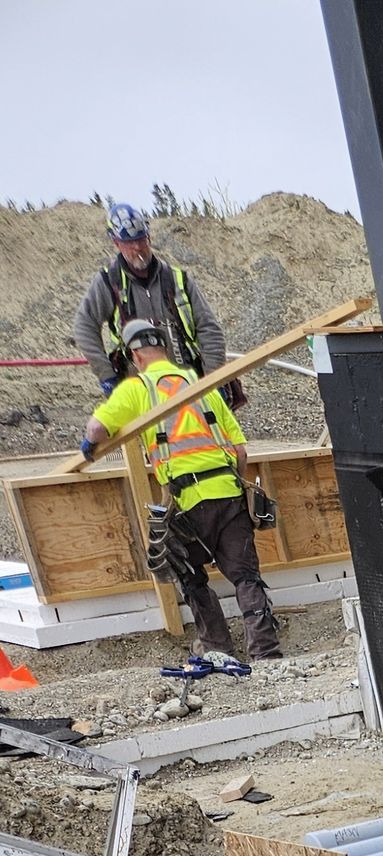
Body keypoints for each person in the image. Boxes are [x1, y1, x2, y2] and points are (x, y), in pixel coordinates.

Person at [78, 316, 282, 664]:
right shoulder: (202, 385)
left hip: (186, 500)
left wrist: (88, 444)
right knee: (246, 576)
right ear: (165, 350)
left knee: (190, 576)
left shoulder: (137, 389)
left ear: (135, 355)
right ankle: (266, 653)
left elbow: (98, 428)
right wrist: (232, 490)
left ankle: (217, 647)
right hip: (229, 492)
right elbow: (241, 452)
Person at [74, 202, 230, 394]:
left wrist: (214, 378)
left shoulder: (177, 279)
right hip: (139, 390)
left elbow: (208, 327)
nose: (138, 247)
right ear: (116, 243)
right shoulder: (109, 282)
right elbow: (84, 325)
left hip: (186, 383)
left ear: (148, 237)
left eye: (141, 239)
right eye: (130, 242)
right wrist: (106, 374)